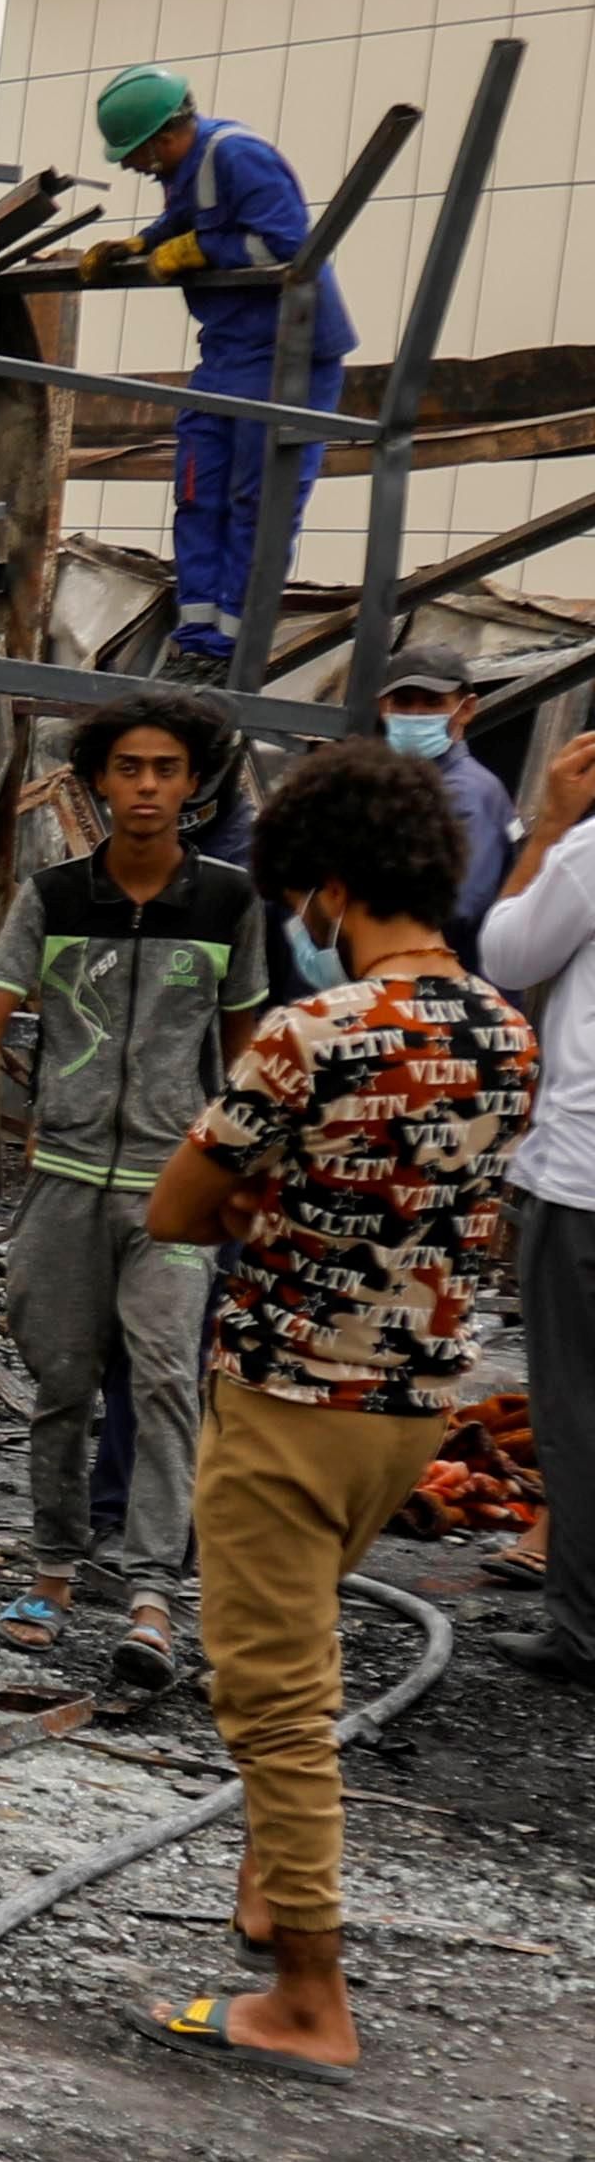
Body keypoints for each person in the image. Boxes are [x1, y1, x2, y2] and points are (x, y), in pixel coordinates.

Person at [138, 743, 533, 2075]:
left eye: (301, 895)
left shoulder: (317, 1031)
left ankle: (308, 1994)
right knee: (301, 1656)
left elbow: (176, 1206)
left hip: (291, 1395)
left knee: (274, 1698)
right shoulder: (504, 1029)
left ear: (333, 886)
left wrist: (262, 1194)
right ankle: (269, 1884)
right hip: (416, 1403)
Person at [0, 696, 256, 1704]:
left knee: (168, 1382)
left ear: (192, 785)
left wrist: (255, 1167)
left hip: (172, 1197)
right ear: (96, 780)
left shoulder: (226, 903)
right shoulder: (51, 896)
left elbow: (250, 1049)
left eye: (165, 769)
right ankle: (50, 1573)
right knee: (57, 1384)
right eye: (127, 767)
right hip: (60, 1186)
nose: (144, 786)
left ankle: (147, 1600)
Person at [93, 68, 361, 681]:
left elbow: (292, 246)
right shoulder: (186, 169)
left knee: (255, 503)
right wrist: (139, 245)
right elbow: (187, 224)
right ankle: (196, 641)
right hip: (229, 355)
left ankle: (233, 649)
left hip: (286, 359)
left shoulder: (238, 156)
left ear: (161, 137)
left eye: (133, 153)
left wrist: (202, 253)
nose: (134, 166)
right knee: (198, 491)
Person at [480, 718, 595, 1686]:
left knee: (573, 1403)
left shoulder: (589, 851)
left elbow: (508, 952)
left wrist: (549, 831)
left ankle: (580, 1625)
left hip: (584, 1177)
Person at [372, 650, 513, 953]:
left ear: (466, 709)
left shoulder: (469, 794)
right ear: (384, 709)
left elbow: (455, 907)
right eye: (404, 702)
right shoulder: (390, 787)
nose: (415, 714)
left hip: (449, 986)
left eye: (433, 702)